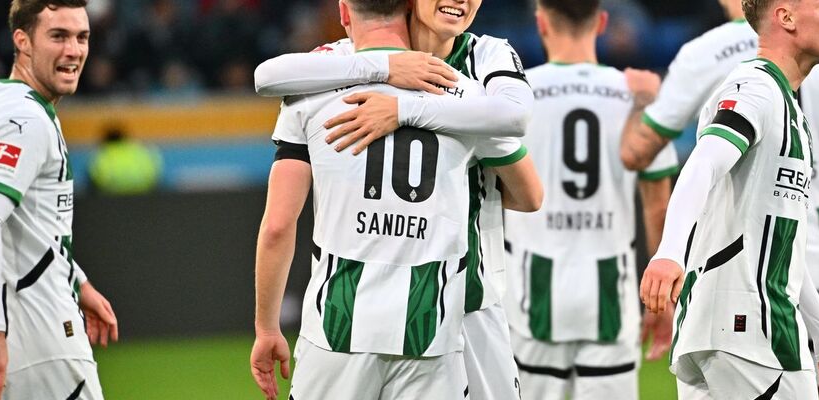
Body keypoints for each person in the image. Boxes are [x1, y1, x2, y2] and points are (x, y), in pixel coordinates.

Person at [249, 0, 541, 399]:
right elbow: (529, 192)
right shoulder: (465, 91)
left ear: (345, 13)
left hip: (396, 311)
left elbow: (278, 224)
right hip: (434, 314)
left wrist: (404, 110)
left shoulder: (318, 82)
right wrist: (389, 70)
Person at [621, 0, 819, 353]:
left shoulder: (702, 54)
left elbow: (639, 152)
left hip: (749, 263)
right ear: (783, 14)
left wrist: (644, 102)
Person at [638, 1, 819, 399]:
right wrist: (668, 252)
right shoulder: (756, 88)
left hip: (724, 328)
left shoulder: (784, 104)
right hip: (749, 329)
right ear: (786, 17)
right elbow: (701, 164)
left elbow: (779, 247)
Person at [0, 1, 119, 399]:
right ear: (22, 41)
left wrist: (78, 281)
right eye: (58, 36)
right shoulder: (26, 121)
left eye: (81, 37)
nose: (73, 50)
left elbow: (25, 226)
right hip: (30, 333)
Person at [501, 0, 675, 398]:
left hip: (531, 291)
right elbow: (658, 206)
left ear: (541, 22)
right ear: (601, 23)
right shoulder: (638, 95)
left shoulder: (516, 93)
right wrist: (662, 301)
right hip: (609, 292)